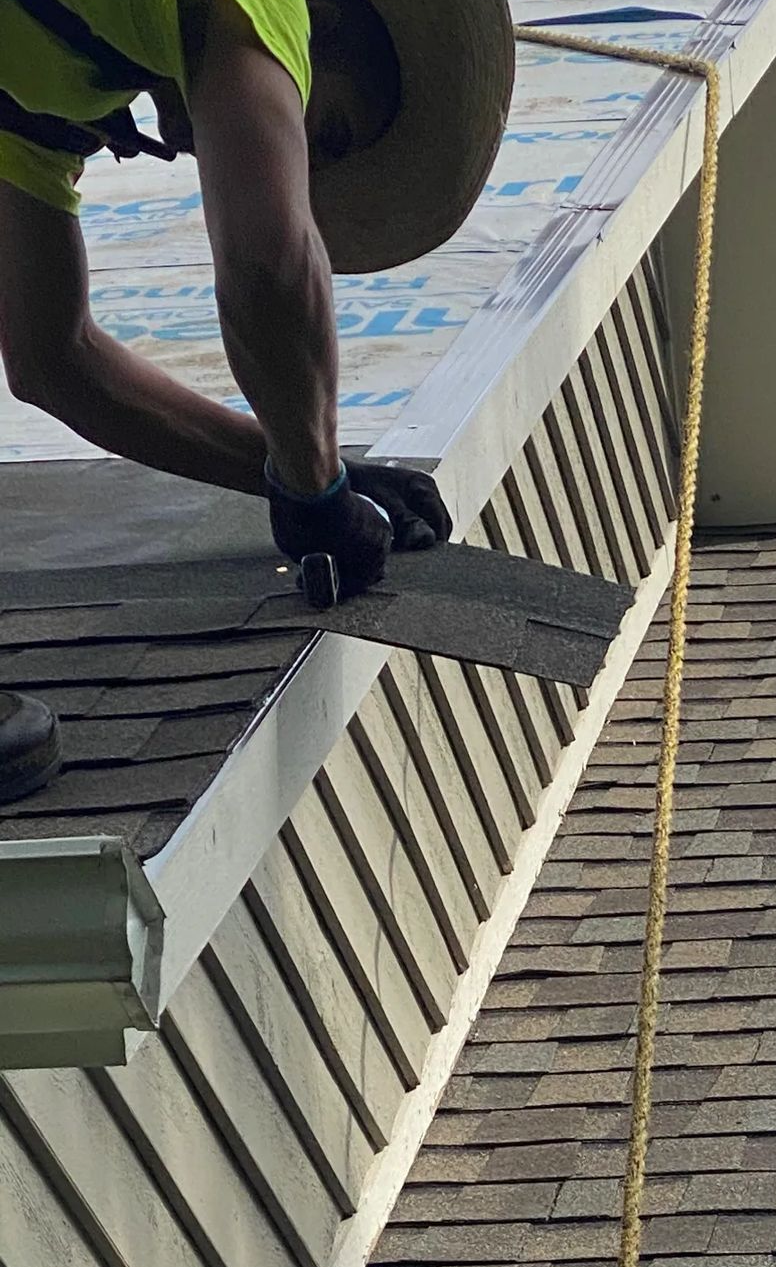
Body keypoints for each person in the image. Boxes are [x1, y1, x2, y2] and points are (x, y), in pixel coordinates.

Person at [0, 0, 515, 802]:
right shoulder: (262, 8)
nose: (298, 159)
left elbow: (53, 360)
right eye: (329, 131)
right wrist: (316, 486)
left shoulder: (42, 102)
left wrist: (286, 469)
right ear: (324, 28)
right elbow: (270, 259)